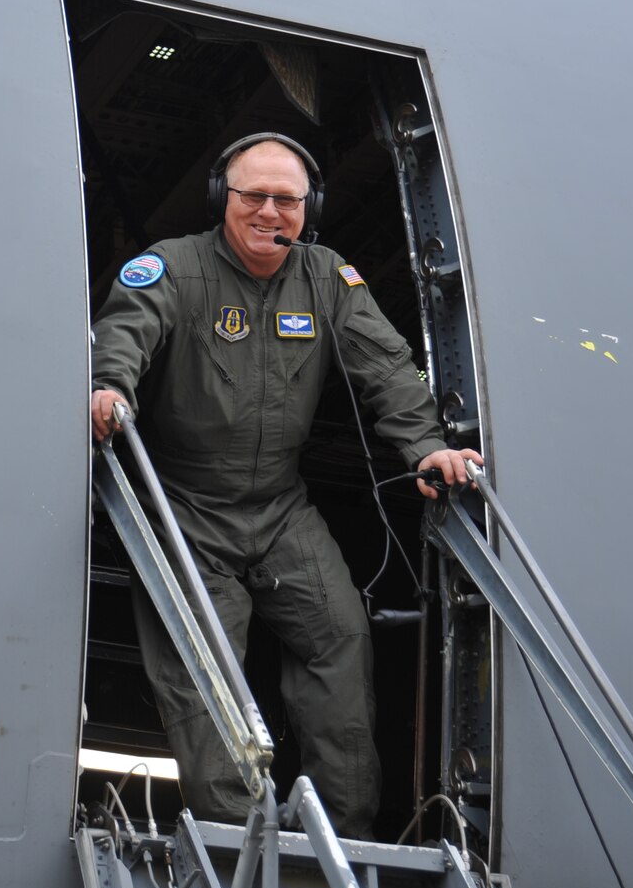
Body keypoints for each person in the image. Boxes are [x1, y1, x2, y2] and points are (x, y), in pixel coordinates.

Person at [90, 132, 481, 838]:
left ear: (310, 207)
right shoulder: (171, 268)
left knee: (339, 636)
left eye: (288, 200)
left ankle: (346, 836)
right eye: (255, 196)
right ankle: (239, 838)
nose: (272, 212)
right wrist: (110, 387)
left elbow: (388, 367)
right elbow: (125, 331)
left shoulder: (328, 277)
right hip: (184, 508)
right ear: (222, 199)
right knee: (203, 665)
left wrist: (426, 445)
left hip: (279, 509)